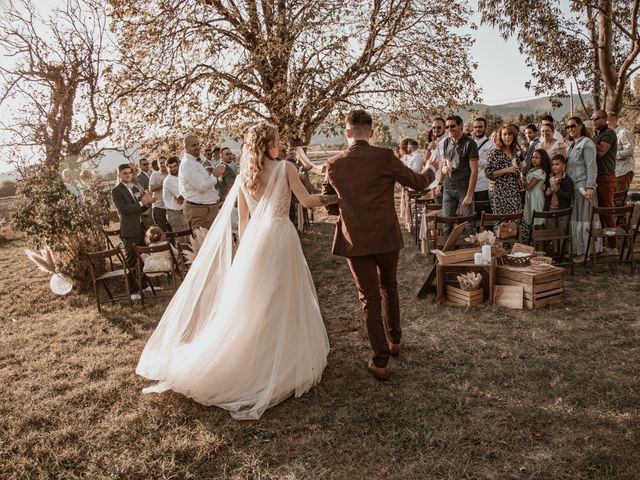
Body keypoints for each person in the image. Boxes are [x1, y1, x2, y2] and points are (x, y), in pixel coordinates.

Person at [137, 122, 338, 420]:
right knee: (283, 296)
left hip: (256, 243)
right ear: (270, 144)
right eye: (278, 139)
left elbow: (243, 222)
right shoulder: (285, 168)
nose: (280, 144)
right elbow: (308, 201)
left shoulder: (246, 176)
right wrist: (335, 199)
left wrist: (246, 251)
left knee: (258, 301)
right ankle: (283, 360)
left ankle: (261, 355)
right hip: (281, 237)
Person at [322, 109, 437, 381]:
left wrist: (350, 208)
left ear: (346, 132)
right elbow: (418, 183)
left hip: (355, 239)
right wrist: (432, 166)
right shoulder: (385, 156)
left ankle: (380, 360)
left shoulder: (334, 163)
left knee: (369, 298)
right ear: (371, 132)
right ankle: (395, 340)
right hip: (386, 236)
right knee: (390, 286)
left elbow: (330, 208)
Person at [111, 163, 154, 296]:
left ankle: (144, 285)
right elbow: (123, 210)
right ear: (119, 175)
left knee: (143, 257)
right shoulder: (117, 190)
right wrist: (142, 203)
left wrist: (149, 202)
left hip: (141, 227)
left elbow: (139, 209)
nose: (128, 175)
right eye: (125, 173)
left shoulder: (134, 187)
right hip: (129, 230)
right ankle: (133, 291)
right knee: (131, 261)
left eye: (129, 173)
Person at [565, 116, 600, 261]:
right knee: (577, 219)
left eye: (573, 126)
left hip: (585, 187)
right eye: (568, 127)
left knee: (585, 219)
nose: (570, 129)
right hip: (574, 188)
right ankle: (578, 249)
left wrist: (590, 186)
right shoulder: (573, 144)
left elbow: (592, 166)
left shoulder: (587, 143)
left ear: (580, 126)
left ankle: (586, 252)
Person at [485, 124, 526, 241]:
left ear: (514, 136)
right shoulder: (495, 153)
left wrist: (519, 173)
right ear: (500, 136)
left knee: (515, 220)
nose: (507, 137)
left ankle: (514, 251)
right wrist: (508, 169)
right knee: (501, 221)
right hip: (499, 192)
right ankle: (501, 252)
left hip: (513, 191)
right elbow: (489, 173)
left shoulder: (516, 153)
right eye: (505, 134)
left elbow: (523, 168)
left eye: (510, 134)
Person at [439, 115, 479, 235]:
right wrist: (444, 168)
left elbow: (474, 171)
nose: (449, 129)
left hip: (464, 189)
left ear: (461, 126)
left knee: (468, 226)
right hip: (448, 189)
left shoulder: (470, 144)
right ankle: (448, 253)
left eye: (452, 126)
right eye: (447, 126)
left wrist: (469, 194)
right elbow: (445, 163)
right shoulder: (446, 142)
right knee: (446, 225)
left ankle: (468, 253)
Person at [179, 135, 226, 230]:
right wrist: (215, 176)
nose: (197, 147)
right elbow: (201, 187)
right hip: (200, 211)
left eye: (198, 144)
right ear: (185, 147)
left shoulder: (194, 162)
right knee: (203, 242)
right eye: (193, 145)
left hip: (208, 209)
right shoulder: (188, 163)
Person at [592, 109, 618, 254]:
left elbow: (601, 152)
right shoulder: (598, 135)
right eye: (592, 119)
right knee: (600, 213)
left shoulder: (609, 133)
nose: (594, 121)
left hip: (606, 177)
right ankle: (603, 243)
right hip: (597, 177)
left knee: (608, 212)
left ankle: (613, 246)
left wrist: (590, 139)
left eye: (596, 118)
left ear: (604, 119)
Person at [544, 153, 574, 230]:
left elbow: (569, 195)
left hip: (563, 209)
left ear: (563, 166)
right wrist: (548, 193)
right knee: (552, 231)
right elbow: (547, 194)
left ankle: (561, 242)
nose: (554, 166)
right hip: (551, 208)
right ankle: (554, 242)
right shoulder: (550, 179)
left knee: (562, 231)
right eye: (553, 164)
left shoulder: (567, 180)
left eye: (557, 164)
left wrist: (557, 191)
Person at [472, 117, 495, 210]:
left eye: (480, 127)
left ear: (485, 128)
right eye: (475, 127)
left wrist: (475, 159)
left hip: (484, 186)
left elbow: (491, 165)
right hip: (470, 186)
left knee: (483, 217)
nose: (478, 129)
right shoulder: (470, 143)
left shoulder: (491, 144)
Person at [163, 156, 189, 235]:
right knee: (180, 240)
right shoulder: (168, 180)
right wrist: (183, 196)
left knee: (188, 238)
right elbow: (182, 196)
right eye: (170, 167)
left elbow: (185, 193)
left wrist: (184, 194)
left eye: (175, 166)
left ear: (178, 165)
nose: (173, 169)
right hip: (174, 214)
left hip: (183, 211)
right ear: (167, 168)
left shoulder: (180, 177)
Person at [523, 149, 550, 226]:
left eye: (537, 158)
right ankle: (530, 235)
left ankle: (538, 235)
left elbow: (529, 187)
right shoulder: (532, 170)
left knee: (537, 220)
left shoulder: (540, 172)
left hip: (536, 196)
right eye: (533, 157)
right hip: (530, 196)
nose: (534, 159)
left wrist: (522, 181)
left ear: (542, 159)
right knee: (529, 218)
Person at [149, 157, 171, 233]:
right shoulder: (155, 175)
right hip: (159, 208)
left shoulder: (171, 174)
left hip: (171, 208)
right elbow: (151, 188)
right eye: (160, 163)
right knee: (163, 233)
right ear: (158, 164)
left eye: (164, 162)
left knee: (173, 232)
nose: (162, 164)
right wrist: (164, 184)